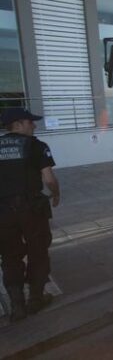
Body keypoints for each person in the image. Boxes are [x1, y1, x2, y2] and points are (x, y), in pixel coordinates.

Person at [0, 107, 60, 322]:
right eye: (30, 122)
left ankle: (17, 306)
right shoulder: (36, 146)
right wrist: (56, 194)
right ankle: (36, 299)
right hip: (31, 210)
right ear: (17, 124)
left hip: (3, 212)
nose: (34, 125)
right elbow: (49, 179)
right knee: (38, 251)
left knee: (9, 255)